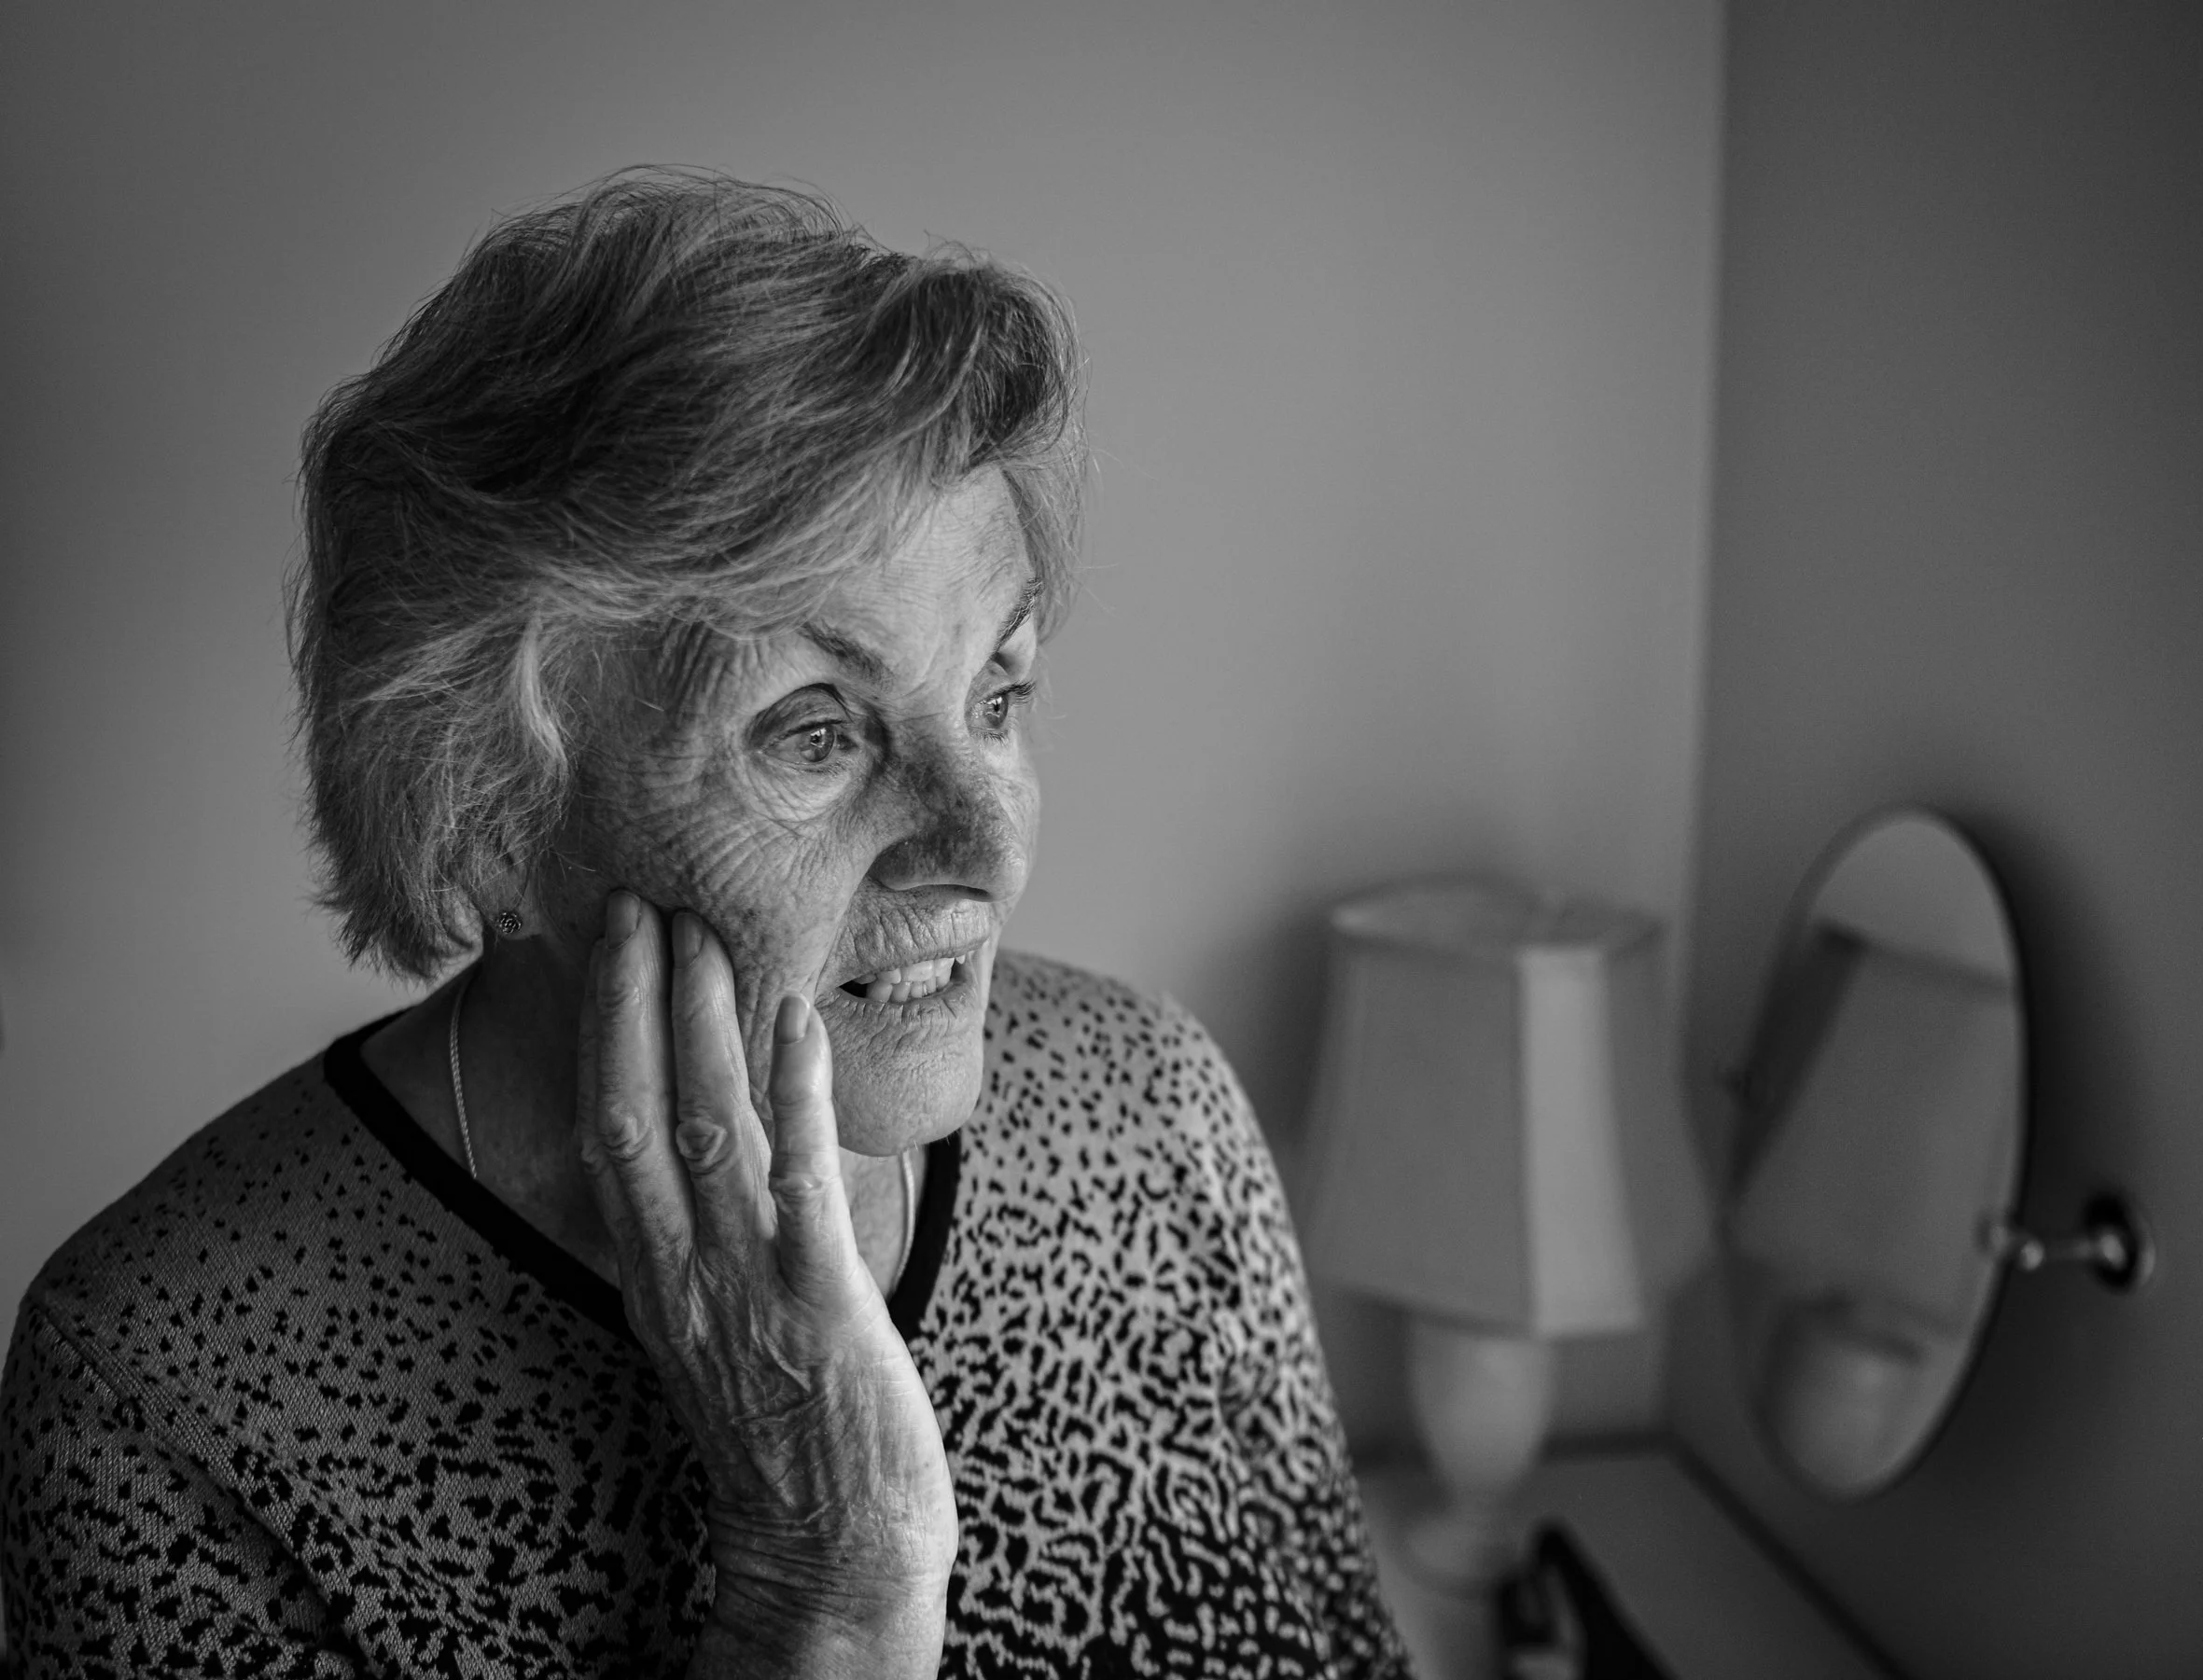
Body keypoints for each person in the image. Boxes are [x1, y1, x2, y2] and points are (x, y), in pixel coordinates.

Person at [0, 169, 1409, 1678]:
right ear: (490, 822)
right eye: (816, 735)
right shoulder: (164, 1393)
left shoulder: (1155, 1118)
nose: (985, 847)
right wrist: (831, 1586)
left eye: (996, 696)